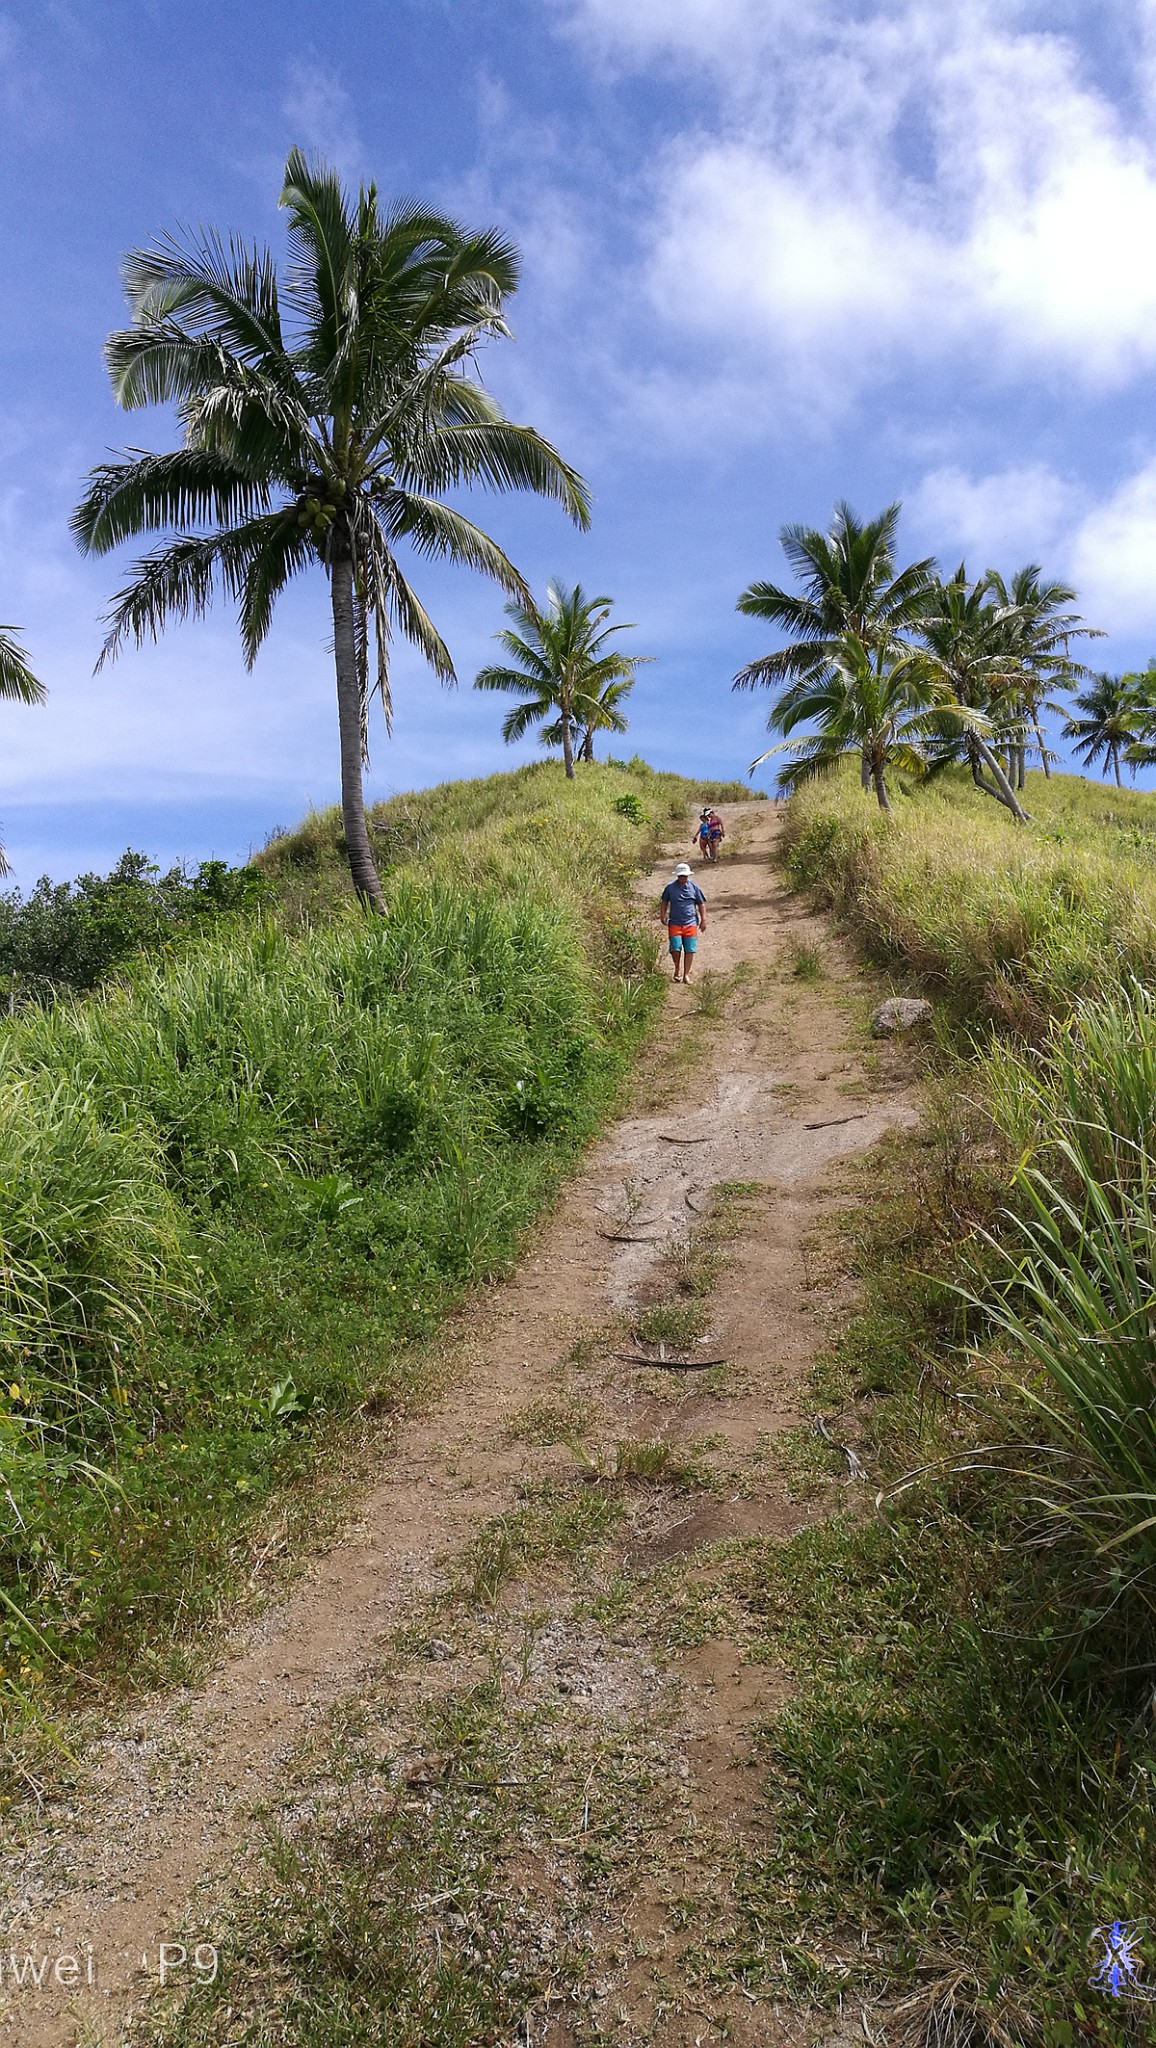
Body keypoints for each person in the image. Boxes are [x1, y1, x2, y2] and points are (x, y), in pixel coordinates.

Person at [661, 861, 707, 984]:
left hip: (690, 922)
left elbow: (701, 903)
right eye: (681, 876)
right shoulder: (670, 888)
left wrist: (703, 920)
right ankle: (677, 968)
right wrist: (663, 915)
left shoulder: (694, 887)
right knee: (675, 948)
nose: (683, 878)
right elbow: (664, 901)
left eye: (685, 876)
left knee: (690, 949)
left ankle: (686, 974)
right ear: (677, 876)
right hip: (675, 922)